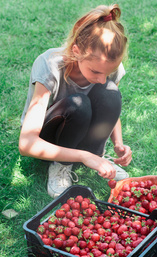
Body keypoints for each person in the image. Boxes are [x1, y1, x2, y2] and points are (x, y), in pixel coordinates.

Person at [19, 4, 132, 198]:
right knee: (78, 104)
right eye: (95, 71)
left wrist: (118, 143)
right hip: (51, 138)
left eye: (108, 72)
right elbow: (26, 143)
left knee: (111, 92)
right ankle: (61, 166)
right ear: (76, 51)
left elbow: (110, 105)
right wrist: (83, 156)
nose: (102, 79)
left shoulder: (106, 67)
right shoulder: (49, 65)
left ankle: (97, 156)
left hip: (83, 133)